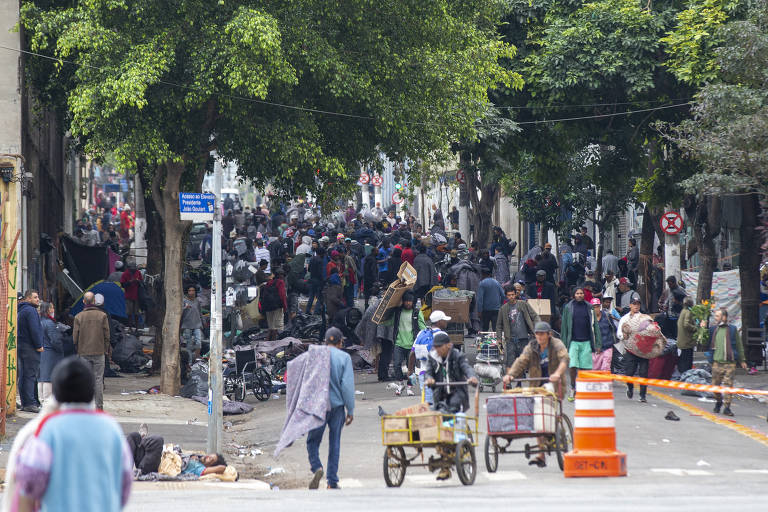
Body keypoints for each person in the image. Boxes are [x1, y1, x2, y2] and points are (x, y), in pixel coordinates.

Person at [13, 356, 132, 512]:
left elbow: (30, 481)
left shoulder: (50, 429)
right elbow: (125, 481)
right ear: (91, 391)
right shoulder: (112, 429)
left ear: (57, 392)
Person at [503, 321, 569, 467]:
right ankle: (541, 455)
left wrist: (557, 373)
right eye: (537, 334)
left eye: (542, 334)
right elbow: (521, 361)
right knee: (537, 419)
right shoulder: (531, 347)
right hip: (536, 385)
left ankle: (559, 442)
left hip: (555, 384)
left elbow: (565, 359)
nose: (539, 336)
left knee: (546, 411)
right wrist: (511, 375)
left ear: (549, 334)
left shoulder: (556, 344)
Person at [424, 331, 478, 480]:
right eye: (436, 347)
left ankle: (457, 449)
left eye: (440, 346)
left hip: (457, 394)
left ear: (448, 345)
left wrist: (472, 377)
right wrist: (429, 379)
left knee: (449, 417)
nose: (437, 349)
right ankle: (445, 465)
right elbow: (428, 372)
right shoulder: (432, 357)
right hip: (440, 396)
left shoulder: (457, 355)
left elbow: (466, 367)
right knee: (435, 421)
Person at [307, 327, 355, 490]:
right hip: (337, 407)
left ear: (325, 342)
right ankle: (332, 481)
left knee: (312, 441)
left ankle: (317, 467)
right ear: (341, 342)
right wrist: (351, 410)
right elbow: (347, 386)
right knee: (335, 442)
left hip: (318, 406)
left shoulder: (315, 356)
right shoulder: (345, 358)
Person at [561, 287, 601, 401]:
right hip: (573, 341)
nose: (579, 295)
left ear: (584, 295)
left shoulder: (589, 307)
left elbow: (595, 326)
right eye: (577, 293)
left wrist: (598, 343)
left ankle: (582, 389)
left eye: (581, 293)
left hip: (586, 341)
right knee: (573, 366)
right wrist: (563, 345)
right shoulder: (568, 307)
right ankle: (573, 387)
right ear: (574, 295)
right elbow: (564, 327)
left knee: (585, 368)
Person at [705, 308, 746, 416]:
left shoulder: (732, 330)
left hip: (729, 363)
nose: (716, 318)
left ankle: (727, 407)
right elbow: (704, 341)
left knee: (728, 386)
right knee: (715, 386)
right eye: (715, 316)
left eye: (718, 316)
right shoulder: (713, 329)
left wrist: (742, 360)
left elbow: (739, 345)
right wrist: (702, 328)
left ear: (724, 317)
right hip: (716, 363)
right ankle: (719, 402)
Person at [73, 291, 111, 410]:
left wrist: (78, 349)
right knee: (98, 379)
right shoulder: (102, 316)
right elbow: (107, 335)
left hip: (83, 352)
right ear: (94, 301)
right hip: (99, 352)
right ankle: (99, 406)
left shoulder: (78, 317)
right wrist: (105, 349)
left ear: (84, 301)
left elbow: (75, 338)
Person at [386, 290, 426, 394]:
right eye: (406, 301)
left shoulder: (417, 313)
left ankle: (409, 387)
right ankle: (401, 384)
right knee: (396, 365)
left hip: (412, 345)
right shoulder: (398, 312)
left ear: (413, 302)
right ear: (403, 301)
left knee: (411, 367)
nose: (408, 303)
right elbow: (388, 321)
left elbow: (422, 327)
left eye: (410, 301)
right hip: (399, 343)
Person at [496, 285, 539, 371]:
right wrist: (499, 339)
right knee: (510, 361)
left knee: (523, 360)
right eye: (509, 295)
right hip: (510, 338)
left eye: (512, 294)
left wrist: (537, 328)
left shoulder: (523, 304)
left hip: (523, 337)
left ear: (516, 294)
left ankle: (521, 378)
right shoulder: (503, 309)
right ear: (506, 296)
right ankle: (509, 382)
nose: (511, 297)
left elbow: (535, 316)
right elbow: (499, 325)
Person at [616, 296, 648, 402]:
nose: (636, 306)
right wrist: (623, 335)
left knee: (643, 373)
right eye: (634, 304)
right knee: (629, 373)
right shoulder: (624, 318)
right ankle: (630, 388)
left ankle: (643, 396)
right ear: (630, 305)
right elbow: (619, 333)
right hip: (630, 349)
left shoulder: (644, 318)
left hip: (643, 350)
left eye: (638, 304)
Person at [18, 289, 44, 413]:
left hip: (22, 346)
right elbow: (34, 330)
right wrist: (39, 345)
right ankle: (30, 403)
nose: (37, 299)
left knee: (24, 375)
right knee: (30, 375)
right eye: (35, 297)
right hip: (30, 348)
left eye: (37, 297)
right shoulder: (31, 311)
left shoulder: (22, 310)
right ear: (28, 299)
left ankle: (25, 402)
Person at [38, 301, 64, 404]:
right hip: (50, 354)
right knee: (48, 377)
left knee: (41, 377)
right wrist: (61, 349)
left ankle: (41, 400)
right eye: (52, 308)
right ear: (48, 310)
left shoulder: (40, 322)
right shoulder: (49, 323)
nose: (53, 310)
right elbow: (55, 340)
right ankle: (47, 401)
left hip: (42, 352)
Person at [262, 269, 288, 341]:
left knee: (271, 326)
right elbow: (282, 295)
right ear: (281, 276)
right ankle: (274, 343)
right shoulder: (280, 282)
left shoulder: (269, 282)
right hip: (277, 307)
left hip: (268, 306)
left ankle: (268, 342)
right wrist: (285, 307)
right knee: (277, 326)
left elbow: (264, 295)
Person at [592, 298, 617, 372]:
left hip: (607, 346)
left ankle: (606, 383)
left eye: (597, 306)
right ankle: (597, 383)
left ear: (600, 306)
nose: (596, 309)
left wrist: (613, 341)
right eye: (594, 307)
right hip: (595, 348)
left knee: (606, 368)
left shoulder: (606, 315)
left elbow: (613, 328)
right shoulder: (590, 318)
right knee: (595, 368)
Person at [477, 267, 505, 331]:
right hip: (496, 309)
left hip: (486, 310)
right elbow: (503, 295)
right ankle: (497, 340)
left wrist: (479, 311)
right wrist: (500, 305)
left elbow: (480, 299)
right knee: (496, 329)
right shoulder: (497, 282)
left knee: (485, 329)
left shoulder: (482, 283)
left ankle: (484, 340)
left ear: (483, 274)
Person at [181, 286, 205, 361]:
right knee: (189, 344)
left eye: (193, 290)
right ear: (187, 292)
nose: (191, 292)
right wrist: (185, 307)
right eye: (190, 291)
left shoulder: (197, 301)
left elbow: (200, 312)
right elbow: (179, 311)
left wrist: (203, 322)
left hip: (197, 325)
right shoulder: (184, 301)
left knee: (198, 343)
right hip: (187, 325)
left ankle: (196, 357)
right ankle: (190, 362)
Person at [120, 260, 143, 331]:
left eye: (134, 269)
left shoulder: (138, 272)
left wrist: (138, 281)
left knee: (136, 313)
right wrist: (130, 282)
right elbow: (123, 285)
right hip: (128, 296)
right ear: (129, 268)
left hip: (136, 296)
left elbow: (141, 282)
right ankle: (130, 327)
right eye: (132, 269)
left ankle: (136, 327)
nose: (133, 270)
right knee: (129, 313)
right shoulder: (125, 274)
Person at [677, 297, 698, 374]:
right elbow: (686, 324)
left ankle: (683, 374)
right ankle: (686, 376)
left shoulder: (683, 311)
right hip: (687, 342)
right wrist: (695, 328)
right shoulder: (688, 312)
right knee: (687, 361)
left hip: (682, 341)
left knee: (682, 360)